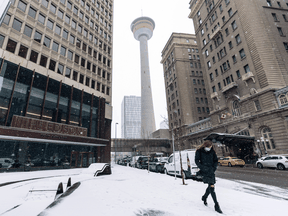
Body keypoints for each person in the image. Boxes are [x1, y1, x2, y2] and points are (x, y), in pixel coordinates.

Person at [195, 140, 223, 214]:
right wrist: (202, 167)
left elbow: (215, 160)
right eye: (208, 147)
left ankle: (204, 197)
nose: (210, 148)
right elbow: (197, 161)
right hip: (204, 171)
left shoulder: (212, 151)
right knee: (211, 186)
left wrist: (214, 168)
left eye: (210, 147)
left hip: (211, 170)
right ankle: (216, 205)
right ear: (205, 146)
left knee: (210, 186)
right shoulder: (199, 151)